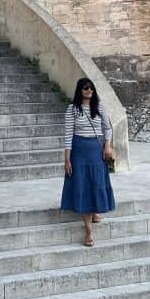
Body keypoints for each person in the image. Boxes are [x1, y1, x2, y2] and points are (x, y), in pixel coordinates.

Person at [61, 77, 116, 246]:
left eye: (91, 88)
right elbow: (68, 135)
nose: (89, 91)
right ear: (80, 90)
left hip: (95, 149)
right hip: (79, 151)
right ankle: (88, 232)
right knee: (84, 185)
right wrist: (67, 159)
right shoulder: (72, 109)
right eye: (85, 88)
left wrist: (107, 146)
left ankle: (95, 211)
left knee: (96, 183)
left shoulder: (99, 107)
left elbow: (107, 128)